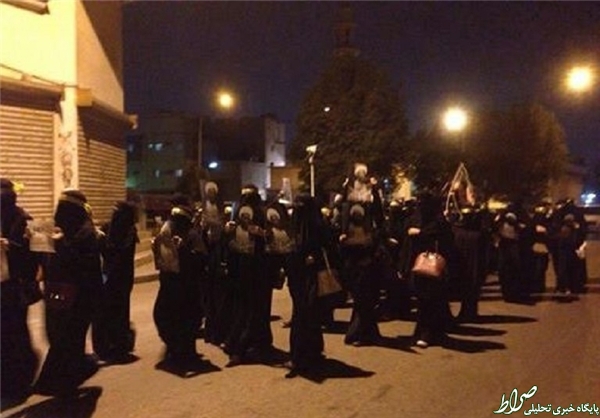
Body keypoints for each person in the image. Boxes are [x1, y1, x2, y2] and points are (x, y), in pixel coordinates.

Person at [34, 189, 102, 396]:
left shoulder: (86, 233)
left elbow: (83, 266)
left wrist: (62, 244)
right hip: (57, 293)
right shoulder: (57, 231)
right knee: (58, 336)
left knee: (70, 338)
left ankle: (62, 381)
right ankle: (60, 380)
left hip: (79, 297)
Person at [152, 197, 207, 367]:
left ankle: (185, 353)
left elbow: (200, 259)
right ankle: (174, 347)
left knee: (187, 321)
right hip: (169, 285)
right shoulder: (167, 234)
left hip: (187, 288)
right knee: (164, 316)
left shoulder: (192, 235)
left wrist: (184, 251)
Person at [1, 178, 40, 404]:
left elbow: (34, 255)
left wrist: (11, 247)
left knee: (16, 333)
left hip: (16, 287)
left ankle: (20, 380)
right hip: (2, 285)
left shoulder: (24, 220)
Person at [223, 184, 271, 367]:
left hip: (257, 270)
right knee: (242, 310)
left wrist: (261, 233)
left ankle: (248, 346)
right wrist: (227, 231)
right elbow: (227, 245)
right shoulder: (235, 216)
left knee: (254, 311)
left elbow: (274, 238)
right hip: (239, 270)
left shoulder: (262, 214)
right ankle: (238, 346)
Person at [285, 193, 327, 377]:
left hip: (311, 278)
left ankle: (302, 356)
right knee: (304, 315)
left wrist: (313, 256)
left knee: (305, 316)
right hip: (297, 277)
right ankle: (305, 354)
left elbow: (327, 247)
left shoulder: (318, 226)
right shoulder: (293, 227)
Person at [406, 191, 454, 348]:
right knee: (427, 301)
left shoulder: (433, 221)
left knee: (428, 301)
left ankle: (426, 333)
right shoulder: (434, 219)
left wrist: (419, 233)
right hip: (426, 265)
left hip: (427, 264)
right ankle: (428, 332)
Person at [94, 201, 139, 363]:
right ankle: (112, 343)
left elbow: (114, 254)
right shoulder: (113, 228)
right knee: (110, 312)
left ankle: (118, 344)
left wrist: (101, 241)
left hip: (119, 278)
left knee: (118, 312)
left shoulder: (128, 232)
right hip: (111, 276)